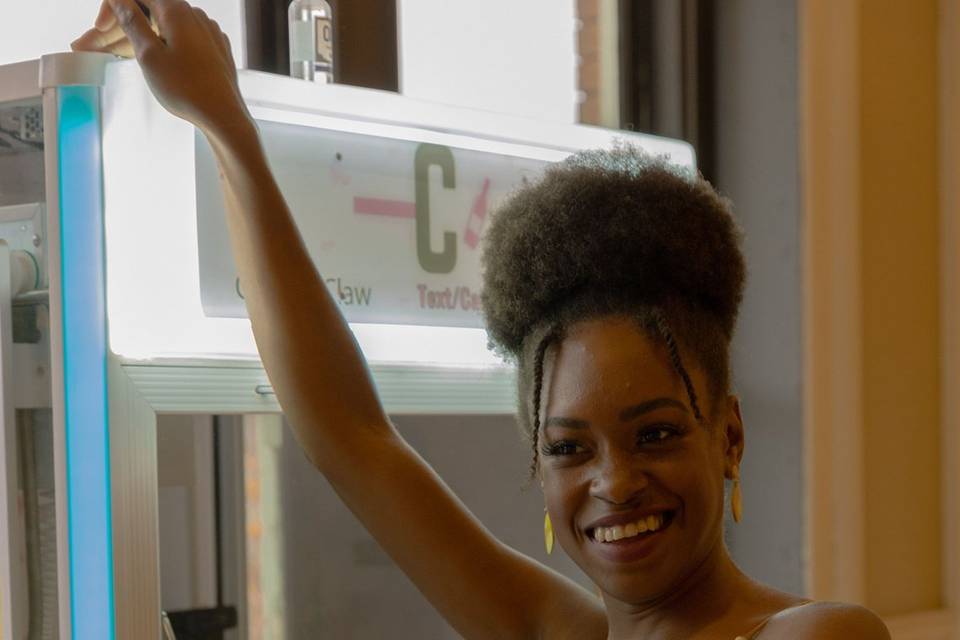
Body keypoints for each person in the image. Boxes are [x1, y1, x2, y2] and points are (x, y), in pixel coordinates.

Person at [71, 2, 892, 638]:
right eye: (569, 447)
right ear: (539, 469)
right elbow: (351, 440)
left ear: (731, 437)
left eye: (656, 433)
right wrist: (227, 128)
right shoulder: (549, 628)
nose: (613, 482)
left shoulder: (821, 632)